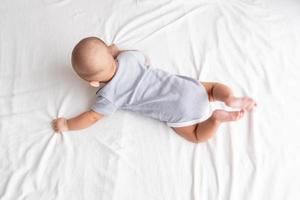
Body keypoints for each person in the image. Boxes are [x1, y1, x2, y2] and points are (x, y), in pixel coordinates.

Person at [52, 37, 257, 143]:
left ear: (93, 83)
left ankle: (216, 119)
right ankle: (229, 98)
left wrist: (67, 125)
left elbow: (92, 117)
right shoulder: (129, 57)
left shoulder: (109, 97)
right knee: (212, 88)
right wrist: (117, 51)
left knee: (196, 136)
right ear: (111, 53)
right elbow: (144, 57)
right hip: (186, 88)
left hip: (179, 112)